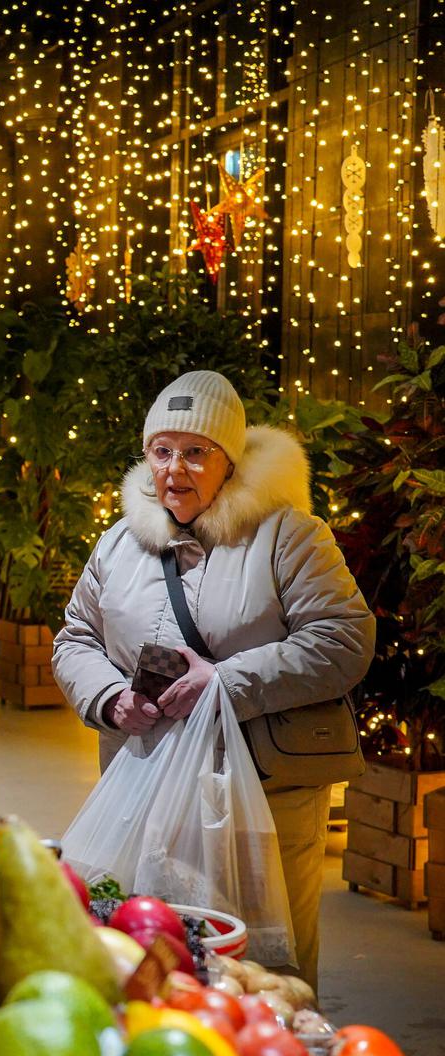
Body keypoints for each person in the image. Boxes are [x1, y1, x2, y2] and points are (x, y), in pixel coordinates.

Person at [52, 369, 375, 989]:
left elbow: (344, 638)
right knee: (157, 951)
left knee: (267, 968)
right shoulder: (119, 545)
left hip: (265, 793)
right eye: (162, 451)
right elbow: (76, 638)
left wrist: (226, 682)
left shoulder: (290, 537)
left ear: (230, 461)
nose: (176, 468)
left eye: (196, 452)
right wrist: (109, 697)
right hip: (145, 785)